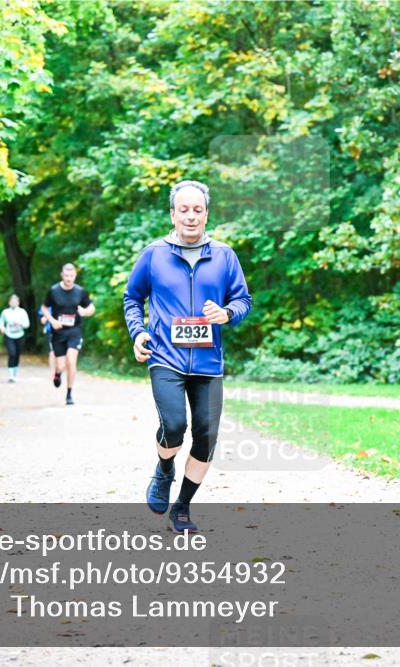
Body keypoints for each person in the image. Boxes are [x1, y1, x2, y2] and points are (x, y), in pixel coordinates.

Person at [123, 179, 251, 533]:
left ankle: (181, 507)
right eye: (184, 210)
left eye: (198, 210)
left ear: (206, 214)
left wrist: (227, 314)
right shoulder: (154, 254)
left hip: (209, 362)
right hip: (165, 356)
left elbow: (243, 300)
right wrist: (139, 332)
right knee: (175, 425)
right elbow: (132, 298)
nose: (191, 216)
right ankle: (164, 469)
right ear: (173, 214)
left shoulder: (224, 255)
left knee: (207, 436)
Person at [41, 263, 96, 405]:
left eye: (71, 276)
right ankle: (57, 373)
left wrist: (85, 312)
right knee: (61, 365)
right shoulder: (53, 291)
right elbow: (44, 308)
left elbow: (91, 307)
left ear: (75, 276)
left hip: (74, 331)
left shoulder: (80, 291)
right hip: (58, 332)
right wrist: (52, 321)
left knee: (71, 361)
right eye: (66, 275)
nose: (69, 278)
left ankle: (69, 394)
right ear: (62, 275)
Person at [0, 294, 30, 382]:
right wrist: (2, 327)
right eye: (12, 301)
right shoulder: (5, 312)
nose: (13, 303)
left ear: (18, 303)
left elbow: (27, 324)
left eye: (15, 301)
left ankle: (15, 373)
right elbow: (1, 321)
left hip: (20, 335)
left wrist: (21, 324)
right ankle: (11, 375)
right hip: (9, 335)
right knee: (12, 353)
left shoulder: (22, 312)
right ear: (9, 303)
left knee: (17, 354)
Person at [38, 305, 57, 380]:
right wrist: (45, 318)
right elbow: (42, 320)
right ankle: (53, 372)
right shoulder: (47, 304)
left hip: (65, 330)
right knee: (53, 351)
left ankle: (60, 369)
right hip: (51, 330)